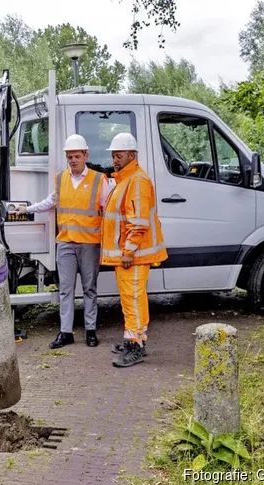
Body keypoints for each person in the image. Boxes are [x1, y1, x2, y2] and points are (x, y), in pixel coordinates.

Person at [15, 134, 112, 349]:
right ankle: (65, 332)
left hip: (89, 244)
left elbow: (109, 210)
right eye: (70, 157)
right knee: (65, 290)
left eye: (77, 156)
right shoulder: (61, 179)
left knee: (89, 289)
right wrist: (28, 209)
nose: (73, 160)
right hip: (66, 243)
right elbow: (50, 202)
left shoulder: (99, 179)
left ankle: (90, 331)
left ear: (86, 155)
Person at [101, 132, 168, 368]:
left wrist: (128, 251)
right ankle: (133, 338)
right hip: (128, 255)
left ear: (132, 154)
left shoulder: (136, 181)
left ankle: (136, 345)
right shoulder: (125, 179)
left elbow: (138, 222)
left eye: (119, 155)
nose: (115, 160)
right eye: (113, 155)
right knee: (130, 298)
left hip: (133, 256)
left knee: (133, 297)